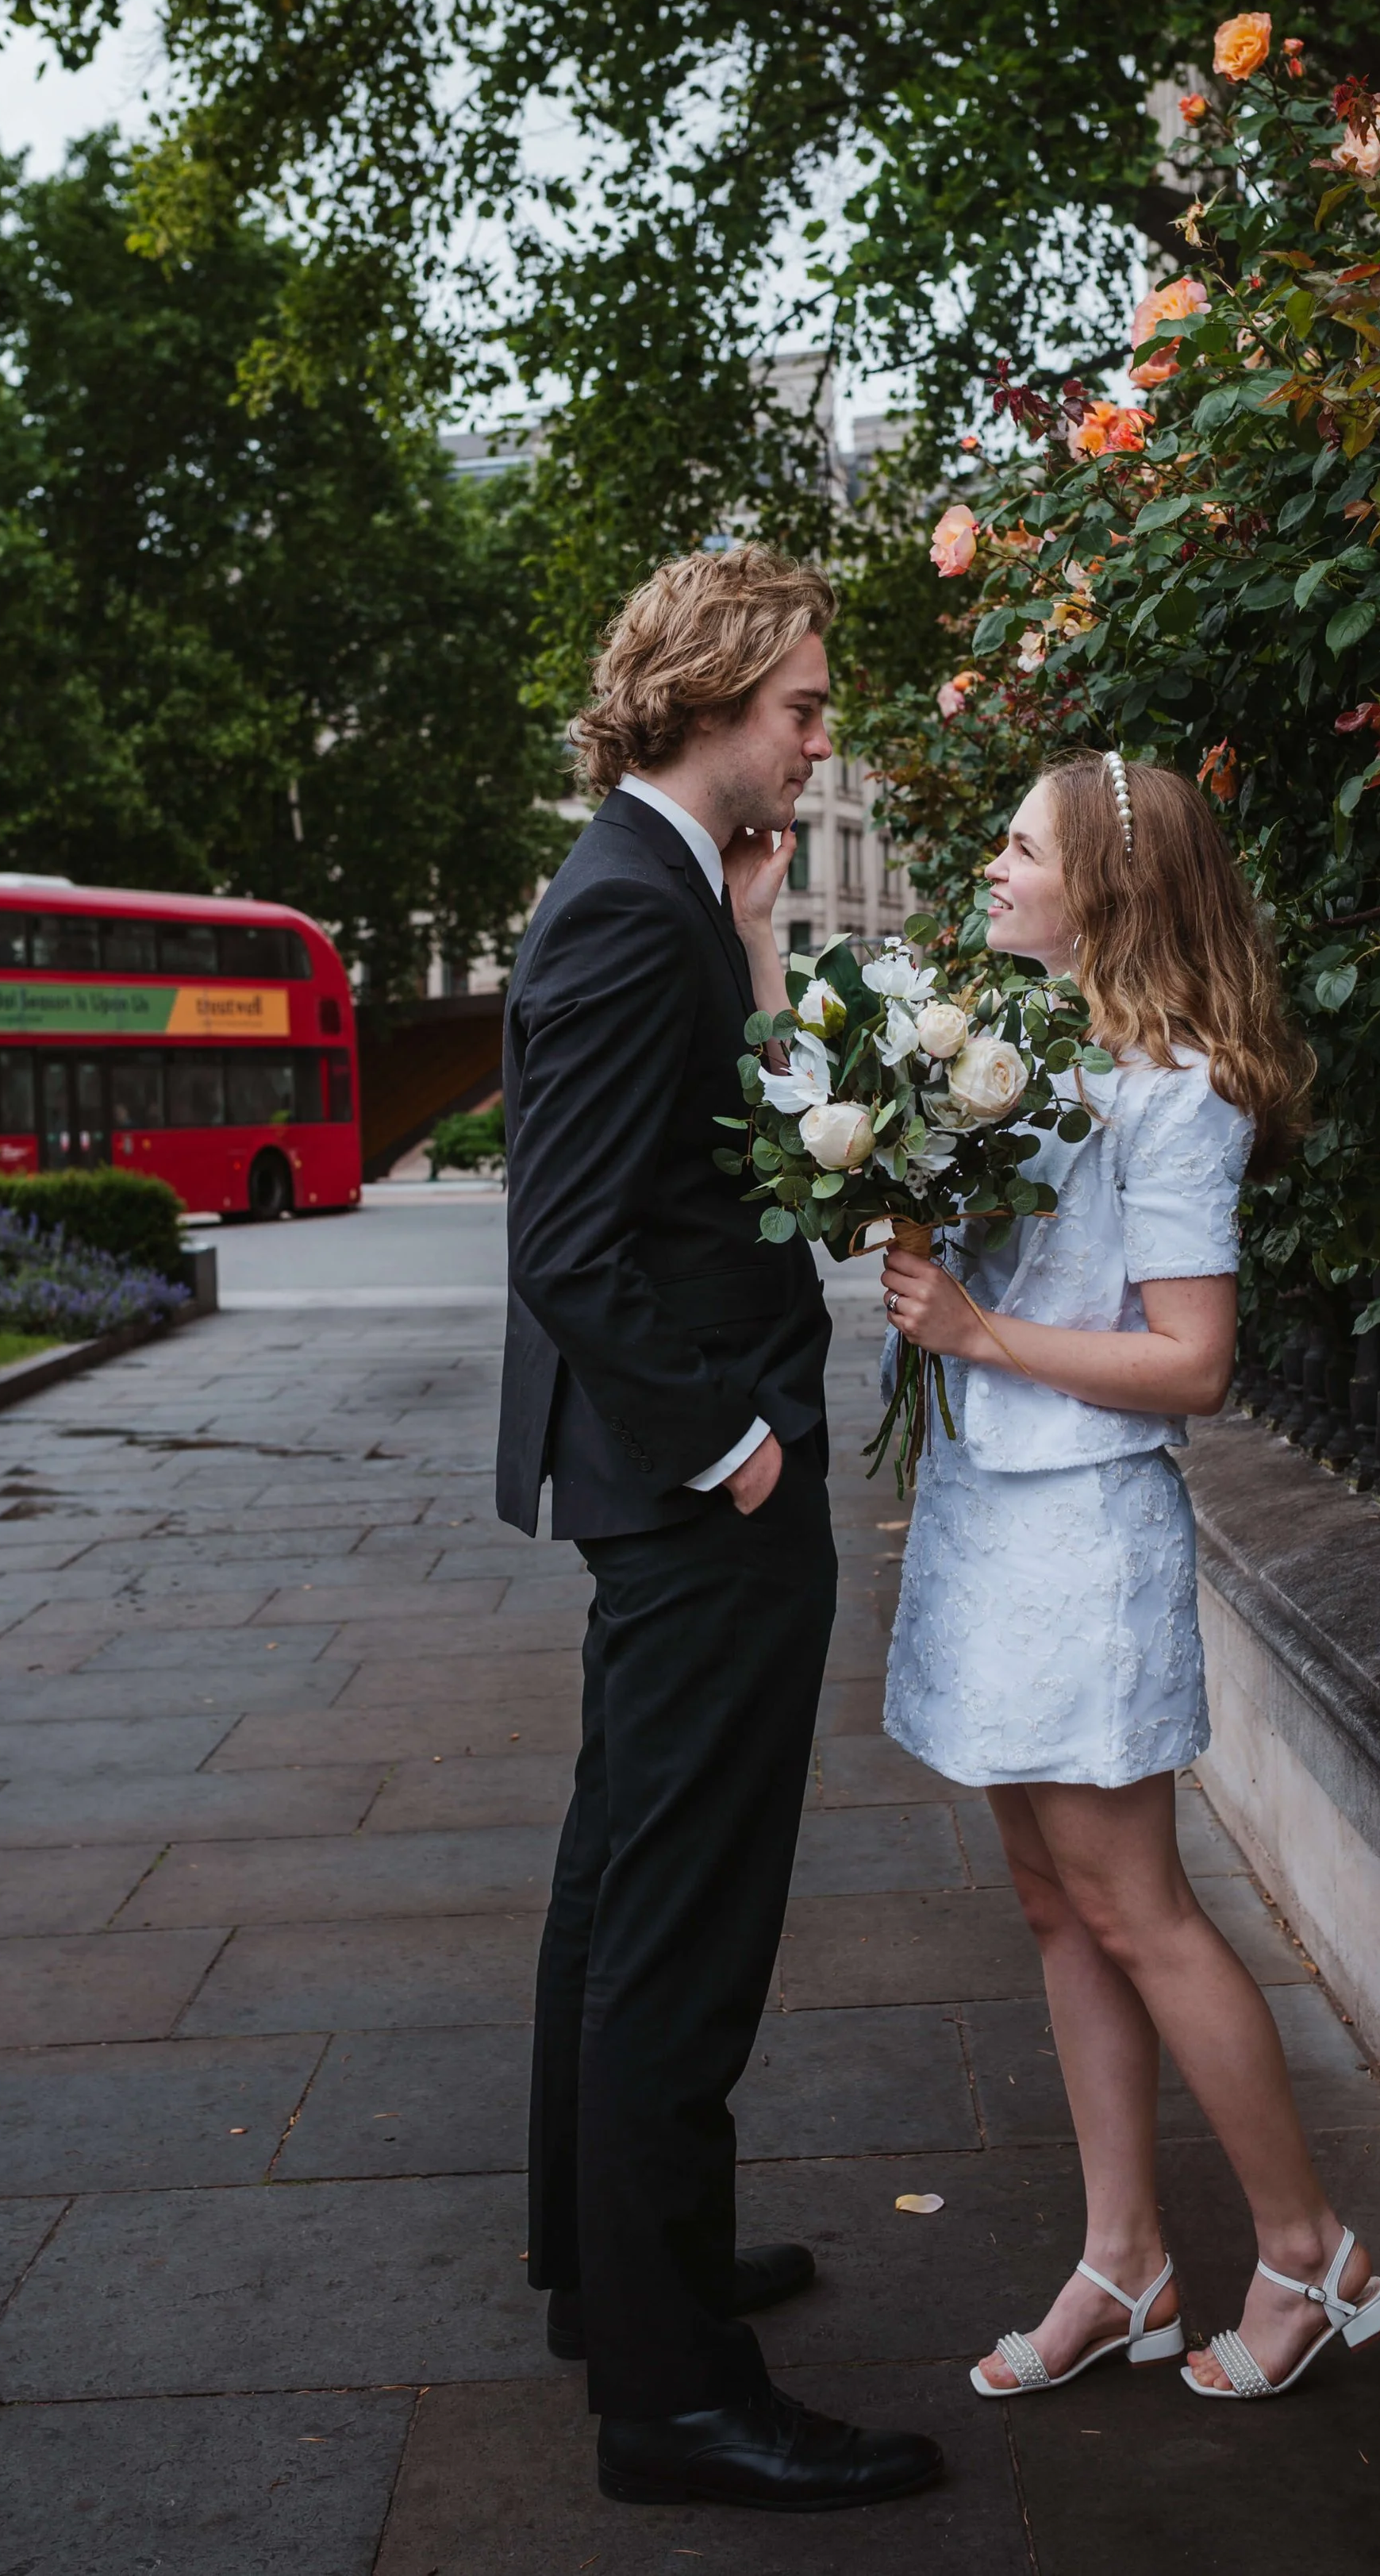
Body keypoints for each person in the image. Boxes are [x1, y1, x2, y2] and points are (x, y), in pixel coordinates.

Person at [498, 545, 944, 2510]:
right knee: (680, 1928)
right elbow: (567, 1250)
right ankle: (675, 2401)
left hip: (682, 1490)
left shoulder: (675, 887)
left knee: (620, 1887)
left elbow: (716, 1151)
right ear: (704, 703)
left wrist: (759, 952)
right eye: (801, 710)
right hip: (697, 1499)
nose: (819, 739)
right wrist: (734, 1451)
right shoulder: (614, 912)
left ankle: (617, 2278)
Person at [878, 750, 1380, 2405]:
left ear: (1104, 883)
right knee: (1055, 1904)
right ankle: (1127, 2264)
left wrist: (973, 1328)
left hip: (1082, 1531)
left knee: (1141, 1911)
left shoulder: (1179, 1090)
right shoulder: (1038, 1057)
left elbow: (1190, 1365)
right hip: (988, 1512)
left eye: (1017, 847)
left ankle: (1311, 2253)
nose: (991, 866)